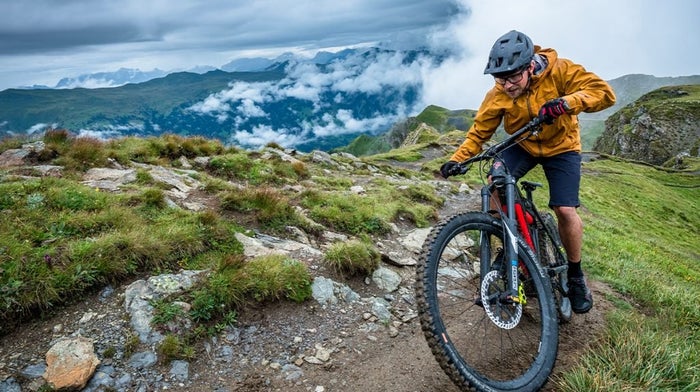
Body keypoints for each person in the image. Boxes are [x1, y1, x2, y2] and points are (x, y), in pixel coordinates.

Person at [440, 30, 616, 314]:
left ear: (530, 66)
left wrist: (565, 103)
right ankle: (510, 245)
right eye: (500, 78)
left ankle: (575, 274)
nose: (507, 86)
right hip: (523, 144)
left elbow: (604, 94)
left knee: (565, 210)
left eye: (513, 78)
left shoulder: (561, 70)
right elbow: (478, 134)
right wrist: (456, 160)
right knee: (495, 181)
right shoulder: (497, 93)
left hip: (562, 147)